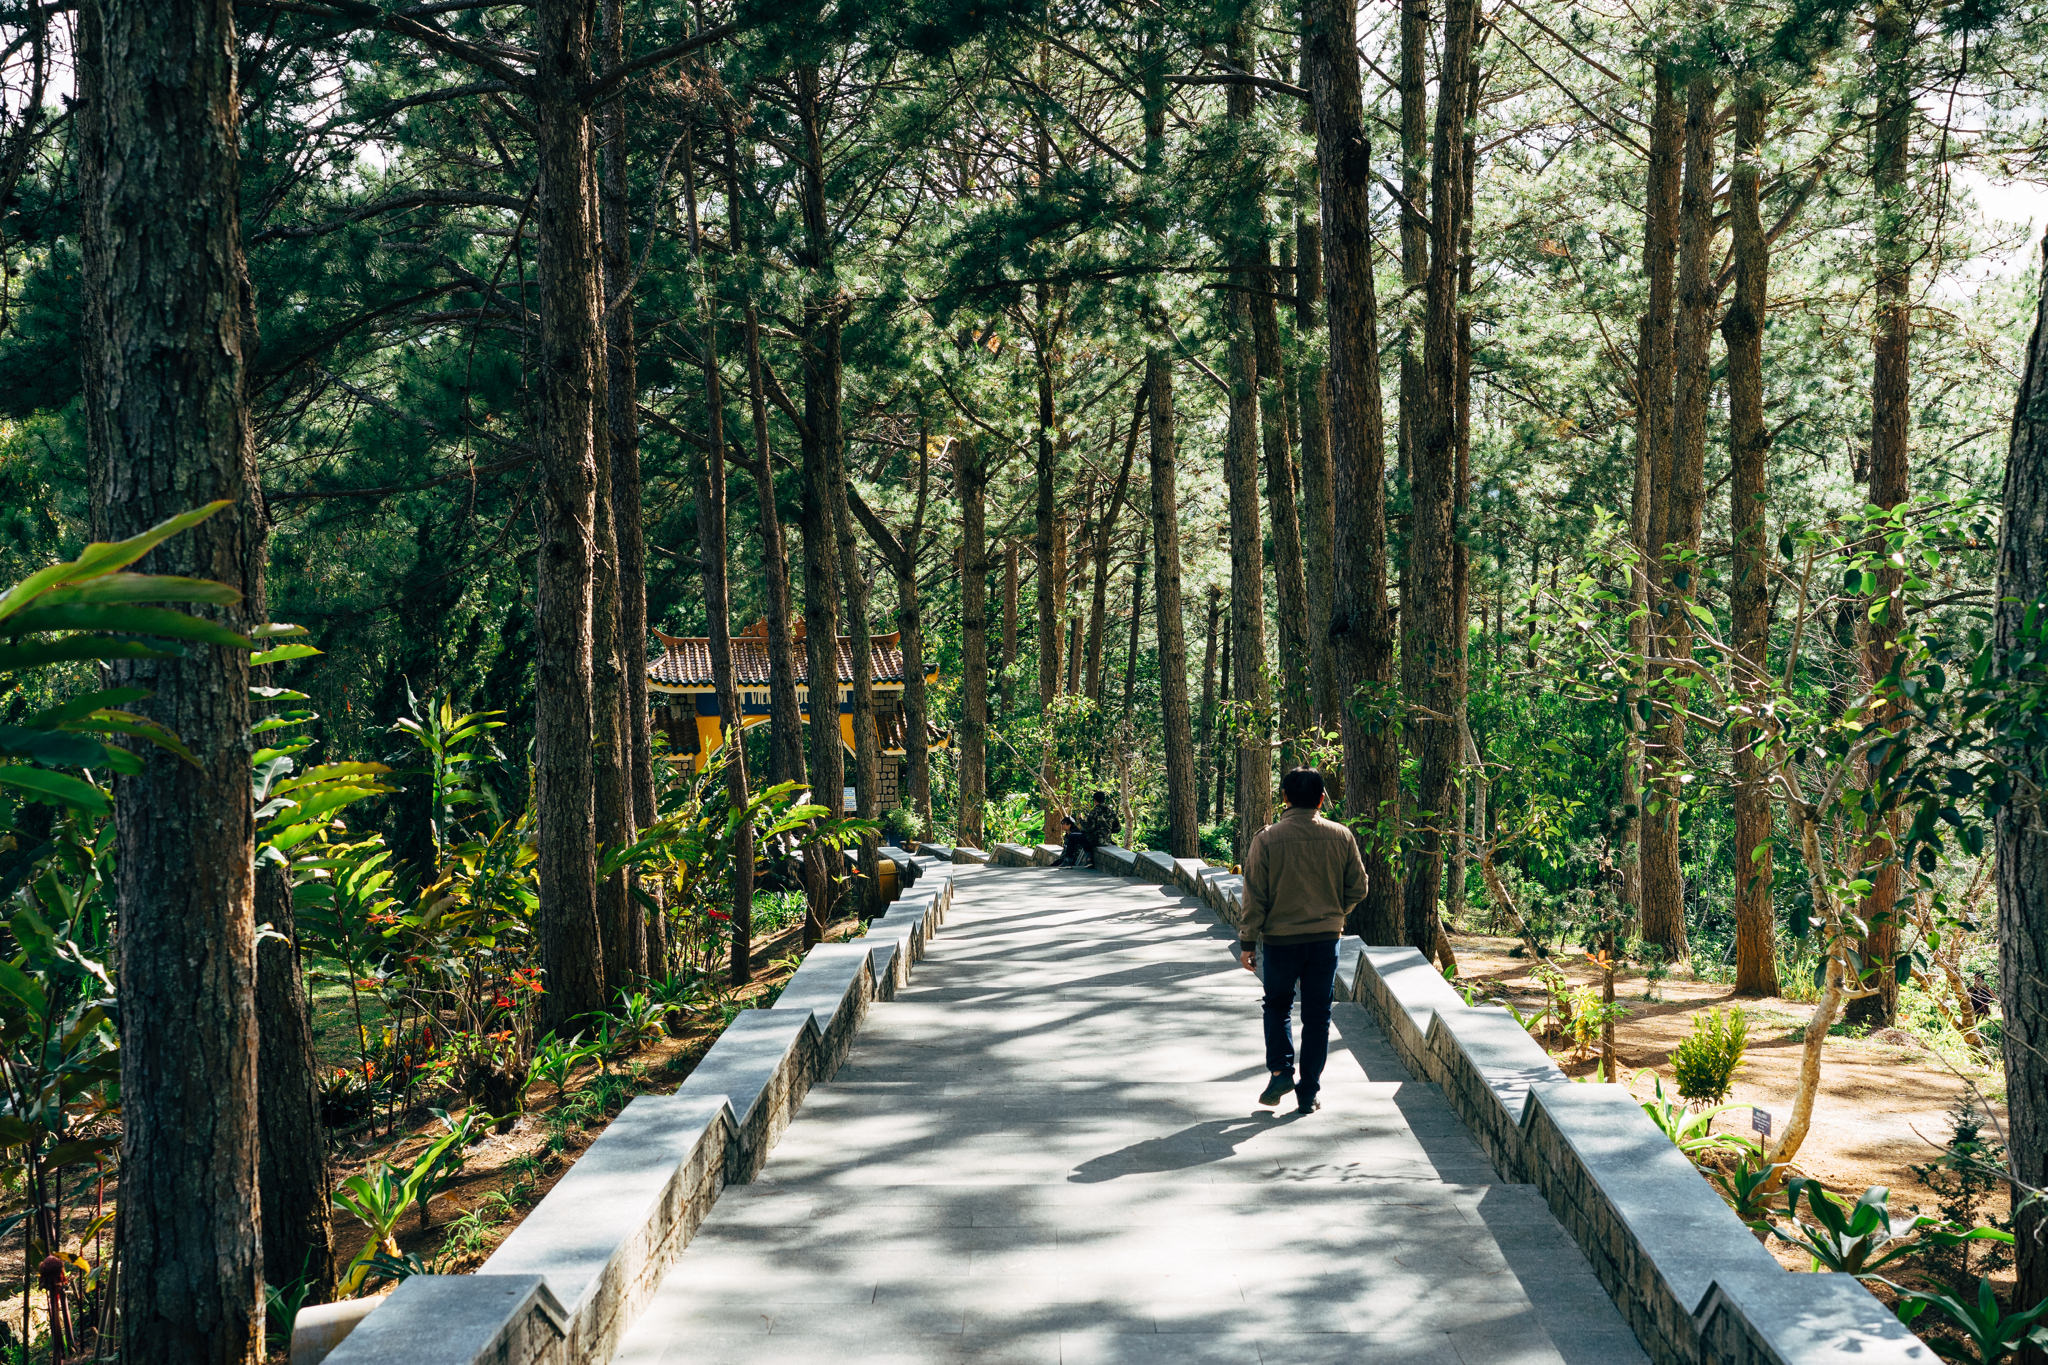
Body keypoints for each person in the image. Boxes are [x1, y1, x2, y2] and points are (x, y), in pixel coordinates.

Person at [1238, 767, 1367, 1115]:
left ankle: (1281, 1071)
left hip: (1280, 941)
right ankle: (1308, 1091)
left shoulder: (1266, 839)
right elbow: (1359, 887)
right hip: (1325, 940)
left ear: (1284, 797)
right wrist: (1336, 911)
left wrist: (1248, 942)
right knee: (1317, 1015)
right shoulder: (1341, 836)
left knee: (1278, 1006)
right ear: (1322, 798)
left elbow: (1255, 895)